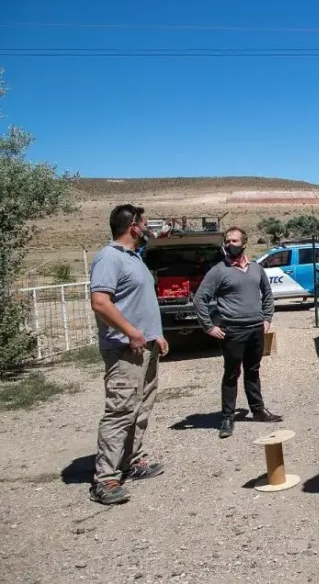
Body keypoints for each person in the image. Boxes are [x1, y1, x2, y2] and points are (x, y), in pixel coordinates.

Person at [88, 204, 169, 505]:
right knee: (120, 410)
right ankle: (105, 479)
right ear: (134, 226)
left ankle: (131, 462)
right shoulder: (109, 258)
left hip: (145, 346)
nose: (148, 229)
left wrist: (154, 334)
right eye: (145, 224)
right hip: (124, 350)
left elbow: (139, 301)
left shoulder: (134, 258)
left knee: (141, 407)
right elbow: (100, 302)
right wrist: (131, 332)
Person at [193, 226, 282, 439]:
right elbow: (200, 300)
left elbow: (268, 295)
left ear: (244, 243)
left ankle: (258, 411)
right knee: (232, 373)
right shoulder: (218, 271)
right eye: (227, 241)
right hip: (232, 331)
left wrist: (267, 319)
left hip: (255, 330)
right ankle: (227, 418)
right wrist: (209, 327)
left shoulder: (255, 268)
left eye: (234, 241)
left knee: (253, 370)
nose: (229, 244)